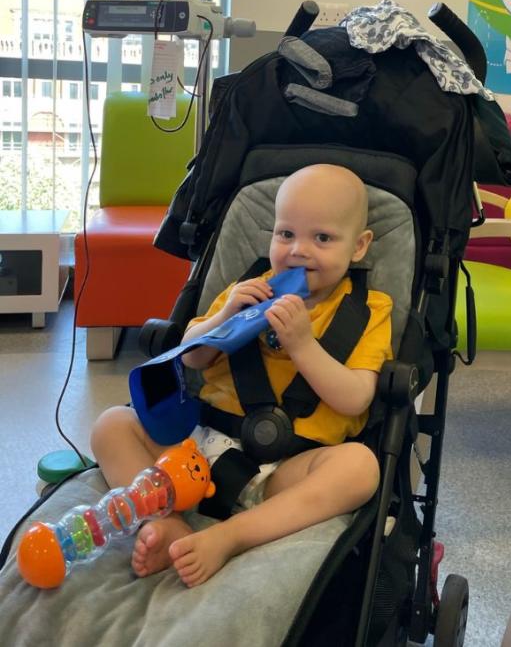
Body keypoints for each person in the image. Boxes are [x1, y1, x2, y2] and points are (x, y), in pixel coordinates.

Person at [90, 163, 391, 587]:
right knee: (112, 425)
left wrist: (304, 345)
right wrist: (228, 313)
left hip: (286, 465)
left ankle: (230, 537)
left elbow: (356, 398)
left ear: (359, 247)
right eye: (286, 234)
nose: (298, 250)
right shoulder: (249, 287)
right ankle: (165, 522)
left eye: (322, 238)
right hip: (198, 447)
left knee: (360, 468)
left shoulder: (369, 310)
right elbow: (192, 359)